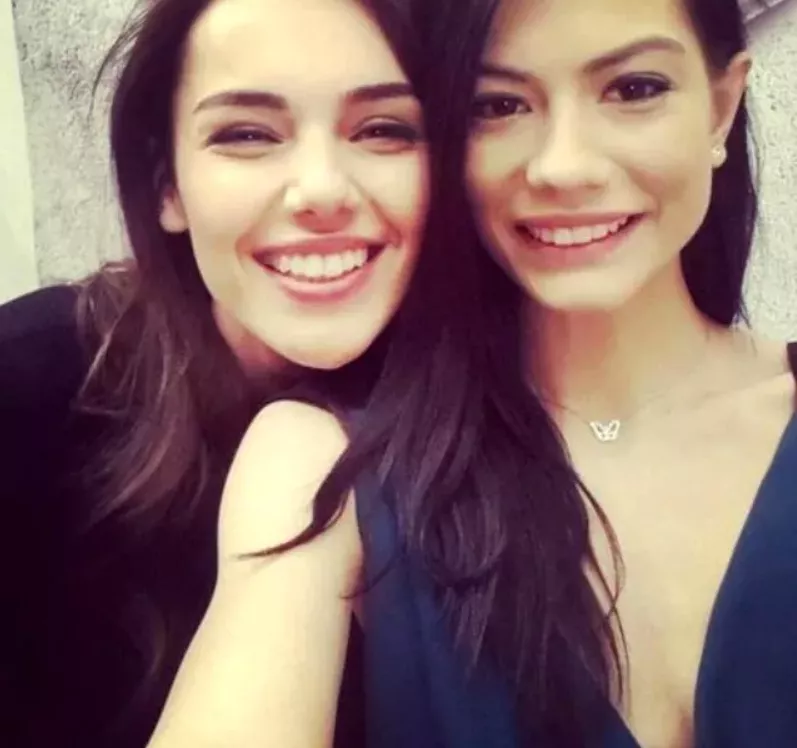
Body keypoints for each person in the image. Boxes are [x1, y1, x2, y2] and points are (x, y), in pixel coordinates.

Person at [144, 0, 797, 747]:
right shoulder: (324, 463)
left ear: (720, 107)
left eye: (634, 88)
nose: (564, 166)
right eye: (498, 105)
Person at [0, 0, 435, 744]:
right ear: (166, 185)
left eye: (382, 129)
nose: (320, 191)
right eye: (247, 135)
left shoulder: (516, 408)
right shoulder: (27, 392)